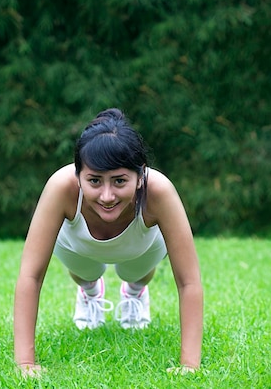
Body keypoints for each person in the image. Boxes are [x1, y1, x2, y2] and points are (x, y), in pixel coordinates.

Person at [14, 108, 203, 376]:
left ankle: (135, 291)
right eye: (94, 181)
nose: (106, 195)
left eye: (119, 181)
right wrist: (25, 364)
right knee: (87, 272)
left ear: (140, 177)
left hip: (143, 245)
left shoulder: (159, 191)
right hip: (76, 244)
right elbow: (30, 276)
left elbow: (189, 282)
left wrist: (189, 365)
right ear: (78, 176)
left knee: (134, 272)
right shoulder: (60, 186)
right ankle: (90, 291)